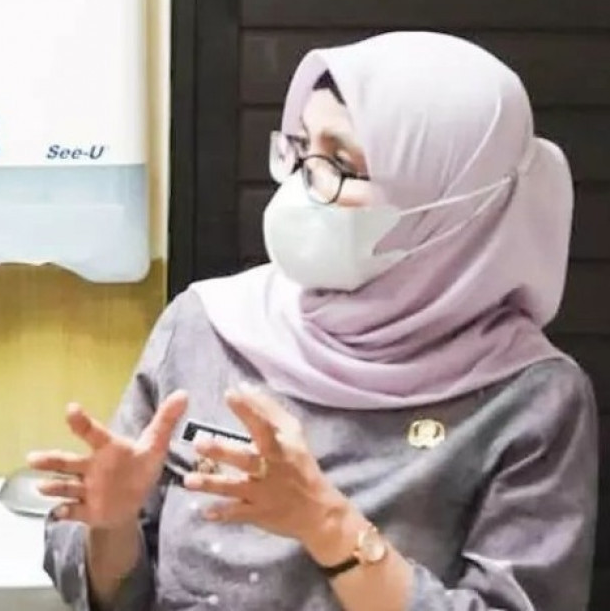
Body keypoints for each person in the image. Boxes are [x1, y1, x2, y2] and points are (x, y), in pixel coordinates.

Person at [29, 31, 598, 610]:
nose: (303, 184)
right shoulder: (206, 326)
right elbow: (114, 591)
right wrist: (112, 526)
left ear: (451, 202)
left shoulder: (529, 398)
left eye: (340, 163)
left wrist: (325, 523)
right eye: (300, 149)